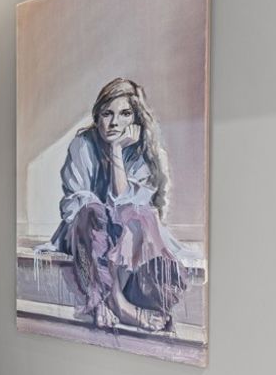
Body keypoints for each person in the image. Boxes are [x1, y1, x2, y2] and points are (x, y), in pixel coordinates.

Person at [41, 78, 190, 332]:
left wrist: (117, 151)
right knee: (93, 211)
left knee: (138, 213)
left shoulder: (145, 151)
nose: (114, 122)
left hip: (123, 235)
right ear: (97, 117)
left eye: (125, 114)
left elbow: (126, 204)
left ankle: (114, 302)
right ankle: (117, 304)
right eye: (107, 114)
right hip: (83, 233)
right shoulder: (82, 144)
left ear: (136, 118)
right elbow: (73, 207)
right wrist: (103, 214)